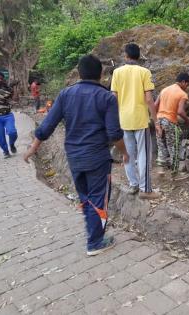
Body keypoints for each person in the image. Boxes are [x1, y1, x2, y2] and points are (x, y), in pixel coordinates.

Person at [24, 55, 129, 256]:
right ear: (101, 74)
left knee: (85, 197)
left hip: (74, 157)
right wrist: (125, 153)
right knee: (98, 198)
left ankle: (93, 233)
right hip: (97, 157)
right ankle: (96, 242)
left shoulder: (65, 95)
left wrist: (33, 148)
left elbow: (47, 126)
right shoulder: (107, 97)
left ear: (79, 73)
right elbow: (114, 133)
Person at [111, 43, 160, 199]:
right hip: (140, 120)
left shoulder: (117, 73)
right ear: (139, 56)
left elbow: (114, 99)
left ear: (125, 56)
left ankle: (133, 184)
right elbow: (149, 99)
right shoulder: (144, 72)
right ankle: (145, 189)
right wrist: (156, 120)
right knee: (144, 154)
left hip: (123, 120)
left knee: (128, 153)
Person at [155, 72, 189, 179]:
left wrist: (157, 119)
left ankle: (160, 170)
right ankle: (175, 174)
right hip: (170, 122)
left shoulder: (164, 90)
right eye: (187, 85)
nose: (186, 88)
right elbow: (180, 111)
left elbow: (155, 105)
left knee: (161, 145)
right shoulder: (182, 94)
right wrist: (187, 119)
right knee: (174, 147)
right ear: (184, 82)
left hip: (159, 120)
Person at [0, 71, 18, 158]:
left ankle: (12, 144)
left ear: (3, 79)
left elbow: (16, 100)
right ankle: (6, 151)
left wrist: (13, 88)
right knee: (0, 138)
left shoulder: (8, 89)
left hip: (8, 115)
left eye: (1, 78)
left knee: (12, 132)